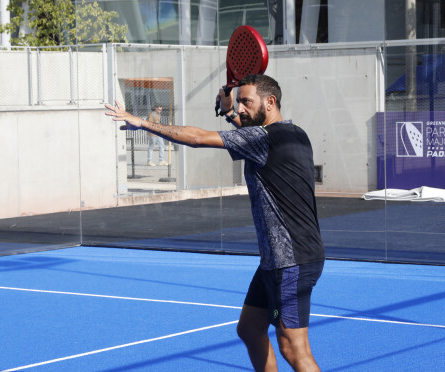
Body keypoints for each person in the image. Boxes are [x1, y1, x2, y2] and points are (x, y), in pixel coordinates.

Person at [105, 74, 325, 372]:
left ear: (270, 101)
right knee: (249, 329)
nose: (242, 108)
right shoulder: (295, 134)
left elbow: (196, 138)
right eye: (240, 103)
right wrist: (231, 112)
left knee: (293, 348)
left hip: (290, 261)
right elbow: (252, 135)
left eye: (247, 102)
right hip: (283, 257)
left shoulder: (261, 138)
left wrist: (142, 123)